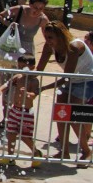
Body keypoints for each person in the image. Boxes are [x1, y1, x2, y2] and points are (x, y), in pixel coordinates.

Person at [37, 20, 93, 160]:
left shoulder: (74, 47)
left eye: (50, 37)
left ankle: (86, 151)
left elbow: (66, 77)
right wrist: (21, 75)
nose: (47, 40)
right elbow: (38, 70)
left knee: (72, 115)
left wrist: (43, 88)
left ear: (60, 36)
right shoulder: (49, 46)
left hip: (87, 80)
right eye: (45, 36)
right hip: (71, 79)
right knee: (60, 113)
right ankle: (64, 151)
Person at [0, 54, 42, 167]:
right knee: (11, 133)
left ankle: (36, 153)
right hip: (14, 110)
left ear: (32, 67)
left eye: (23, 67)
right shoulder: (18, 77)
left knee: (25, 136)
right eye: (19, 67)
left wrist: (27, 94)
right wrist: (0, 89)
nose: (21, 69)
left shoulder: (34, 81)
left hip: (26, 112)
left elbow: (34, 95)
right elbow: (7, 84)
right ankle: (10, 157)